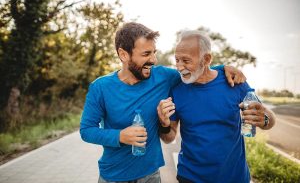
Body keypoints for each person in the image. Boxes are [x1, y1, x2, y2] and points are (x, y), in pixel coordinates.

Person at [80, 22, 246, 183]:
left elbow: (197, 69)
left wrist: (223, 68)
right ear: (124, 54)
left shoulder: (163, 77)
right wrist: (119, 136)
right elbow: (87, 130)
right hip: (113, 175)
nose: (153, 59)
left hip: (150, 175)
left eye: (154, 52)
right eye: (146, 54)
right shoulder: (100, 87)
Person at [157, 30, 276, 183]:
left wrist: (265, 119)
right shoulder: (176, 90)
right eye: (177, 60)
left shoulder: (234, 82)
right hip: (190, 177)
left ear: (206, 59)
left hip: (235, 177)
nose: (179, 67)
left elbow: (269, 120)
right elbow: (169, 137)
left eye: (185, 61)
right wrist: (164, 125)